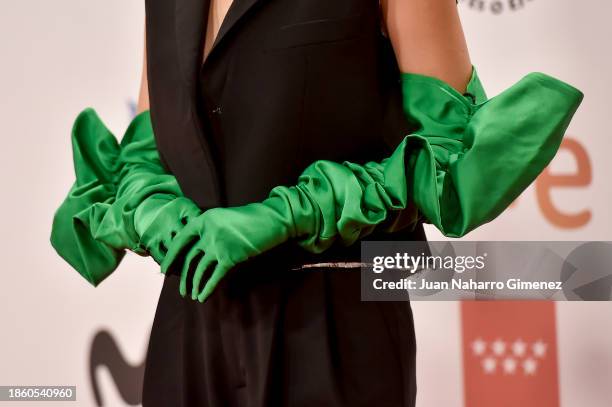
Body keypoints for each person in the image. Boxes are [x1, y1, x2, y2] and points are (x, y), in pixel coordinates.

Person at [50, 0, 583, 406]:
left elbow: (447, 155)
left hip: (332, 325)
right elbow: (148, 144)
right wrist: (151, 209)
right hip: (189, 328)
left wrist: (287, 214)